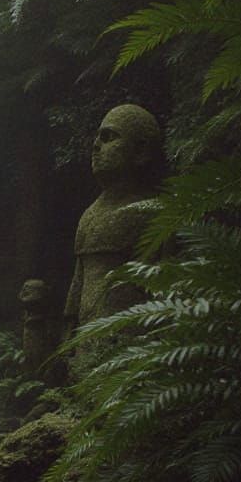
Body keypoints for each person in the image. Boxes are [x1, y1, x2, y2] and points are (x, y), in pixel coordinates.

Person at [63, 104, 162, 332]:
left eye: (108, 137)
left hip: (131, 345)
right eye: (97, 137)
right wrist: (68, 335)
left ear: (141, 151)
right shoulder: (89, 216)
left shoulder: (155, 213)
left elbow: (165, 287)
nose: (96, 146)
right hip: (87, 344)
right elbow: (79, 283)